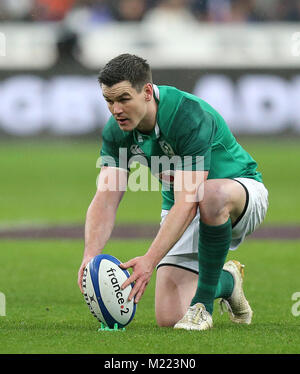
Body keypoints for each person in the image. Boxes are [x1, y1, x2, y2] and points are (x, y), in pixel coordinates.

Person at [77, 53, 268, 331]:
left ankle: (203, 306)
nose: (116, 109)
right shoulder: (117, 131)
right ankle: (228, 281)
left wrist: (149, 261)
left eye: (123, 99)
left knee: (209, 195)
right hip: (184, 206)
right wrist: (90, 255)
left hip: (240, 195)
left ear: (146, 92)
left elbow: (190, 200)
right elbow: (105, 198)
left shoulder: (186, 115)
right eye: (109, 101)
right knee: (169, 317)